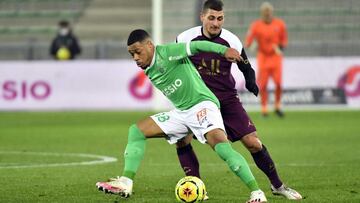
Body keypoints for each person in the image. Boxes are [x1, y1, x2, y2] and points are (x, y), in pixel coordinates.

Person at [95, 29, 267, 203]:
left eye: (138, 52)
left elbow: (197, 46)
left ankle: (257, 193)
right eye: (132, 54)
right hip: (182, 112)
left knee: (221, 146)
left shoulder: (169, 52)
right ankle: (126, 181)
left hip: (202, 105)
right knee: (136, 131)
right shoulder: (147, 66)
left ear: (150, 45)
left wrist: (224, 50)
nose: (136, 58)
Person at [175, 0, 301, 200]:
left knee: (253, 142)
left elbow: (246, 65)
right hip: (197, 100)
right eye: (211, 18)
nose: (216, 23)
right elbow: (176, 62)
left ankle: (278, 185)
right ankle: (197, 188)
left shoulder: (231, 39)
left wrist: (251, 81)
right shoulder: (185, 38)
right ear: (202, 17)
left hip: (226, 99)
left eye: (220, 18)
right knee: (182, 139)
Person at [245, 1, 288, 117]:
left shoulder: (280, 24)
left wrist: (280, 47)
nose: (267, 14)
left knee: (278, 83)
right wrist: (252, 44)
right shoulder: (256, 25)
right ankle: (264, 108)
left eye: (269, 12)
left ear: (272, 12)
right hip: (263, 57)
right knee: (263, 85)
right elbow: (248, 41)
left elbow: (284, 40)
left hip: (275, 57)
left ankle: (277, 106)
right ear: (262, 13)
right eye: (265, 12)